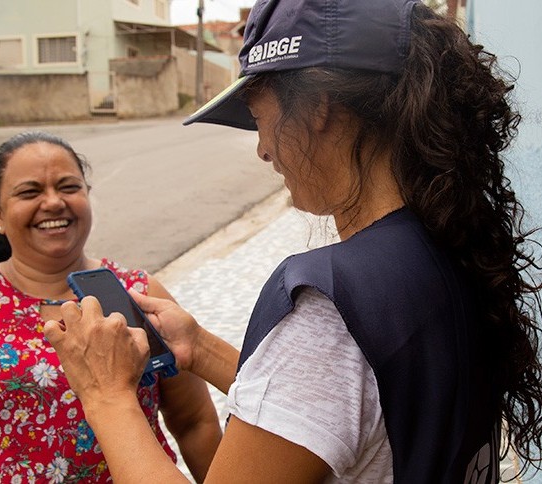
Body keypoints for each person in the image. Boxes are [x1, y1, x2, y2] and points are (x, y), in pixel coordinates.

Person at [44, 0, 542, 482]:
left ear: (318, 107)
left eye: (260, 119)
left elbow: (330, 372)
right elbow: (335, 411)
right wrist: (199, 348)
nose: (262, 149)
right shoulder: (448, 244)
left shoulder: (332, 305)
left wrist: (107, 397)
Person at [0, 131, 222, 483]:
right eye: (30, 192)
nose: (54, 202)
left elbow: (194, 421)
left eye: (69, 187)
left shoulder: (140, 294)